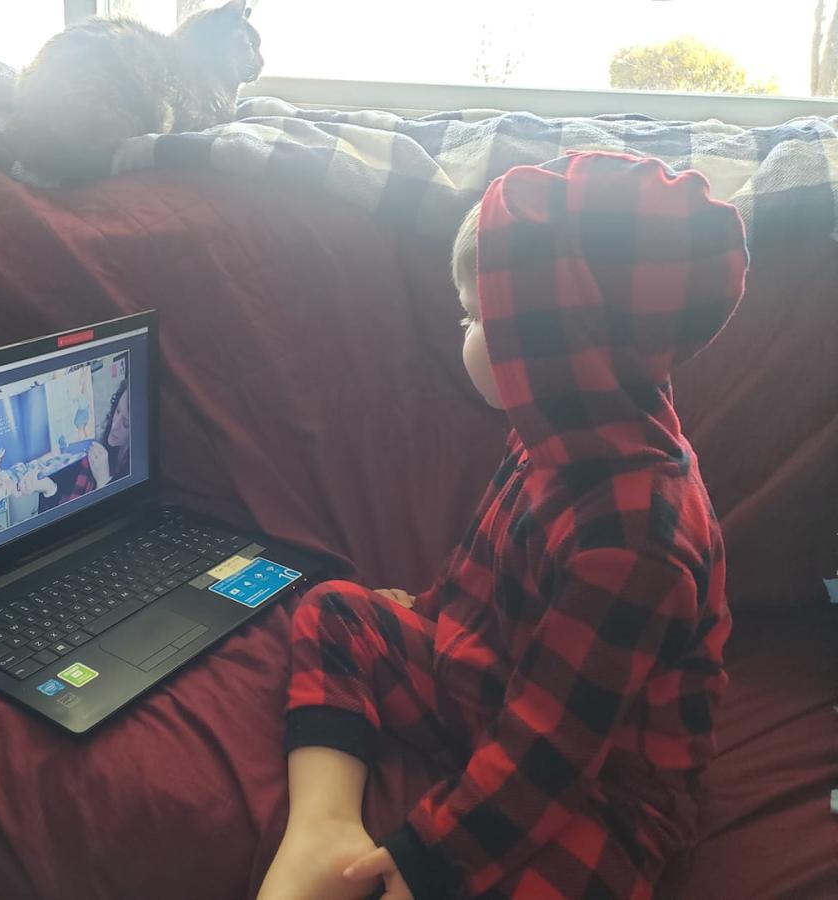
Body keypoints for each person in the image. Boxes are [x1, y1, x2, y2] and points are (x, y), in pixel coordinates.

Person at [256, 152, 748, 900]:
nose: (465, 333)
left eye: (478, 318)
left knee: (578, 874)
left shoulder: (633, 538)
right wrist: (425, 614)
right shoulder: (558, 427)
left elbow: (551, 748)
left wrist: (430, 856)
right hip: (494, 680)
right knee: (334, 608)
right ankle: (321, 826)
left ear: (557, 341)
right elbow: (479, 569)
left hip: (605, 779)